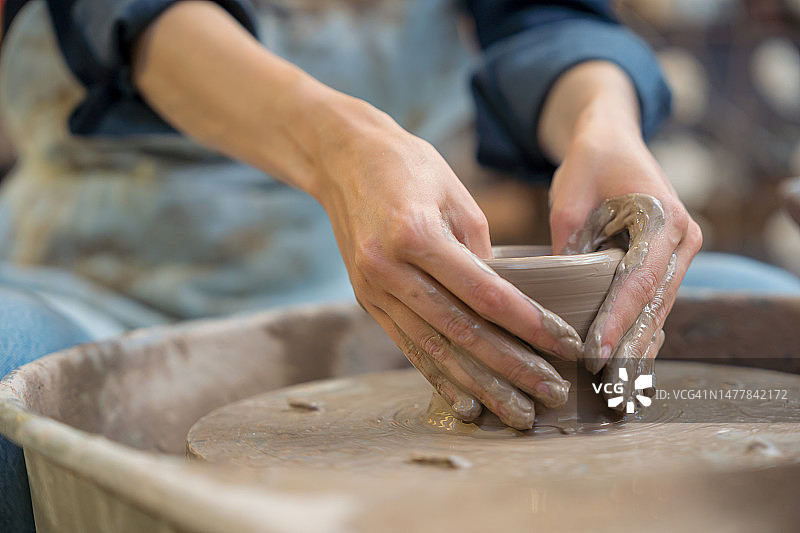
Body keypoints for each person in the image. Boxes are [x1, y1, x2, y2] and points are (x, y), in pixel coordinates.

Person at [0, 0, 706, 530]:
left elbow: (545, 19)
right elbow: (127, 14)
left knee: (751, 298)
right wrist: (340, 146)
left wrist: (603, 125)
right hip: (109, 284)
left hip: (404, 289)